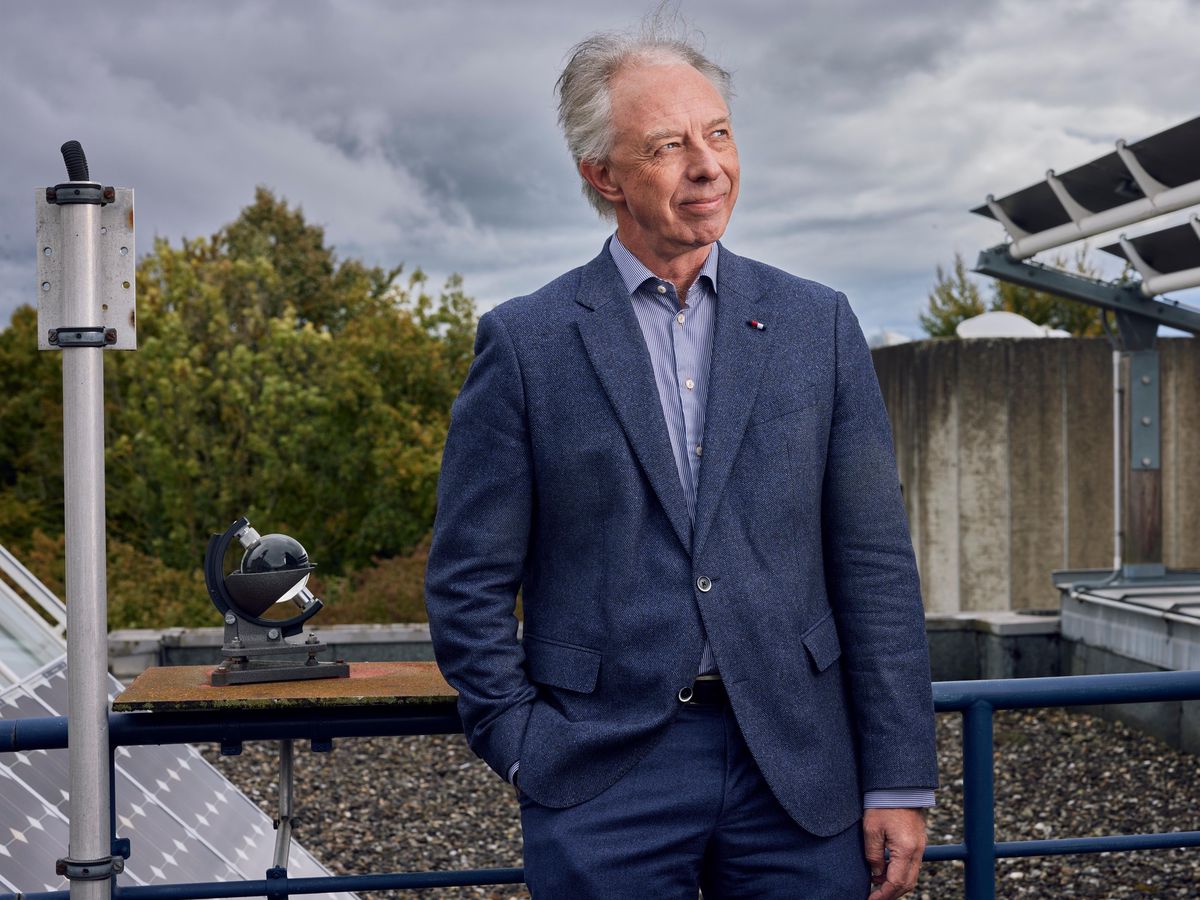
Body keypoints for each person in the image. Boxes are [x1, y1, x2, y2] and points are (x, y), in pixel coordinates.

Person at [425, 20, 937, 900]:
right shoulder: (526, 344)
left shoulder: (818, 325)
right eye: (668, 146)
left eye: (719, 134)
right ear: (603, 175)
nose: (708, 166)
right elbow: (467, 579)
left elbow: (875, 564)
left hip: (799, 768)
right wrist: (521, 745)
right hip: (603, 775)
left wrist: (897, 778)